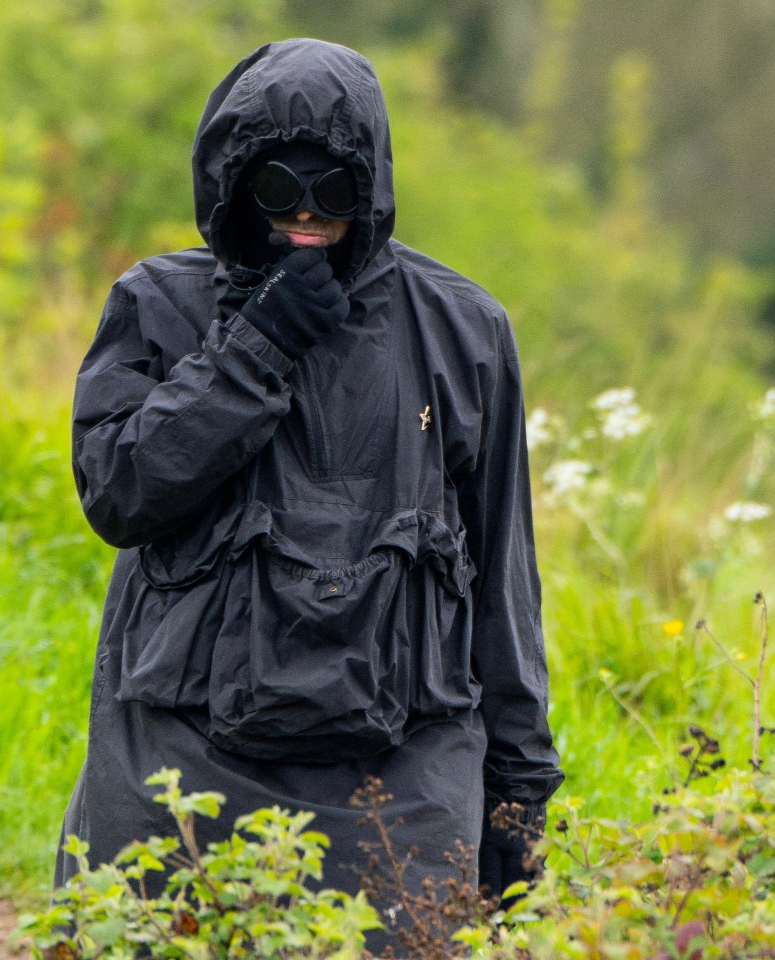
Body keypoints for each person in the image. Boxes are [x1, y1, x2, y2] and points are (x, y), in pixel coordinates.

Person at [55, 37, 563, 939]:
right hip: (180, 756)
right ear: (232, 183)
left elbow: (502, 583)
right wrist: (255, 346)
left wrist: (518, 802)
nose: (305, 219)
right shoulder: (161, 306)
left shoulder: (462, 330)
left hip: (398, 777)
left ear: (369, 192)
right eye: (277, 190)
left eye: (332, 193)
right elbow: (119, 492)